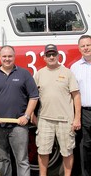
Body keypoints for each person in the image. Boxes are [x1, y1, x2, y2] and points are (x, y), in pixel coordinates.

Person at [0, 45, 39, 176]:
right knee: (2, 159)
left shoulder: (24, 74)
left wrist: (27, 116)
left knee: (22, 160)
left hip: (19, 125)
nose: (7, 59)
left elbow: (34, 96)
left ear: (14, 57)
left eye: (10, 56)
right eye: (4, 56)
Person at [34, 44, 81, 176]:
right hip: (44, 120)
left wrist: (77, 118)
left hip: (65, 120)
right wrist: (32, 114)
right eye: (48, 55)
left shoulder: (67, 73)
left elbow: (76, 96)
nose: (51, 57)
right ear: (44, 57)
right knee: (43, 151)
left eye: (54, 54)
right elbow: (33, 97)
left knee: (67, 151)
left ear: (58, 56)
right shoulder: (39, 74)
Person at [70, 35, 91, 176]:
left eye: (88, 45)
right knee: (85, 145)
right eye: (83, 46)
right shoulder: (75, 67)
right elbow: (72, 93)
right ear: (79, 48)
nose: (86, 48)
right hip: (85, 112)